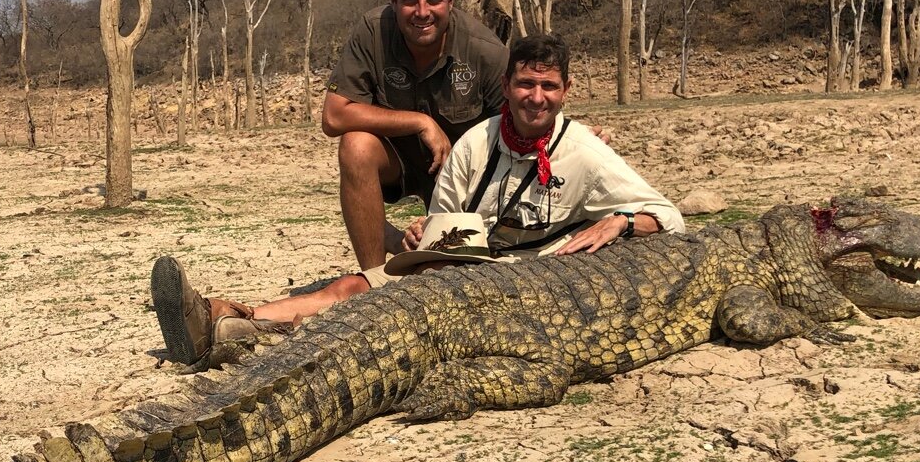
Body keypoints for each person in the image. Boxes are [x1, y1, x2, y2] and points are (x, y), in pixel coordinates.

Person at [151, 32, 683, 365]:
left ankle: (245, 330)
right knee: (351, 287)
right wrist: (421, 238)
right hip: (462, 269)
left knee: (373, 320)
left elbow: (669, 215)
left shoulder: (586, 152)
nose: (536, 97)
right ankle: (226, 318)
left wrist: (621, 222)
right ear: (507, 85)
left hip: (533, 284)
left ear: (565, 90)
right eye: (525, 84)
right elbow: (446, 232)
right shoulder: (477, 143)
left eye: (548, 86)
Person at [325, 0, 509, 285]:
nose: (422, 11)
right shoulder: (372, 31)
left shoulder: (485, 51)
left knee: (451, 278)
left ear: (451, 0)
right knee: (356, 145)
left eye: (434, 0)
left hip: (460, 175)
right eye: (410, 0)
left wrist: (570, 136)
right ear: (393, 0)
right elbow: (334, 117)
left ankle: (419, 245)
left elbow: (518, 127)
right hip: (399, 160)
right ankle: (373, 281)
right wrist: (420, 122)